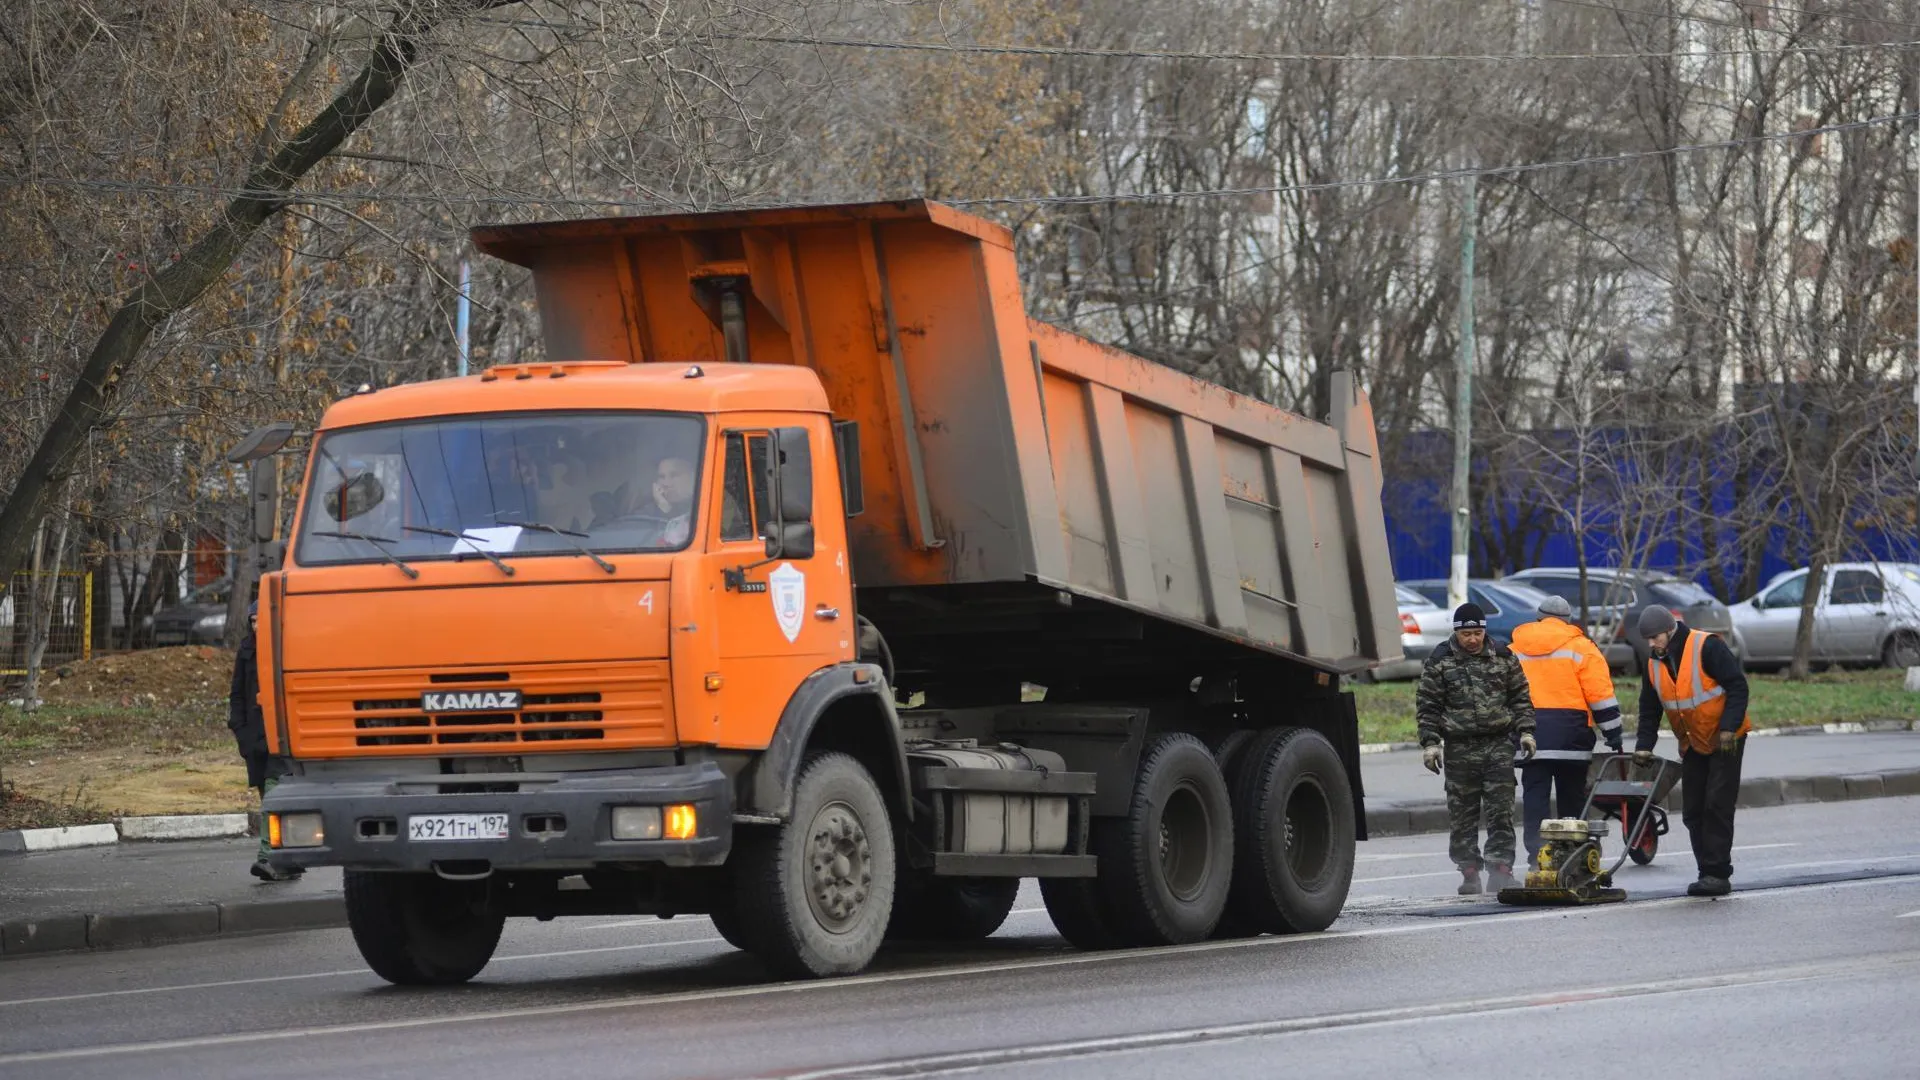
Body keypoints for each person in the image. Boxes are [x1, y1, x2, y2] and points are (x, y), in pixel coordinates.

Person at [1417, 602, 1538, 895]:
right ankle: (1469, 872)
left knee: (1501, 811)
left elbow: (1520, 697)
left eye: (1477, 633)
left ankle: (1501, 870)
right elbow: (1428, 705)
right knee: (1462, 814)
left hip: (1497, 746)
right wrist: (1431, 743)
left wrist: (1526, 732)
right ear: (1456, 633)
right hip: (1459, 749)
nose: (1472, 639)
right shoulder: (1440, 660)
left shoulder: (1504, 657)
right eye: (1466, 634)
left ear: (1484, 631)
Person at [1633, 605, 1750, 897]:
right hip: (1693, 742)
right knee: (1693, 810)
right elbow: (1649, 709)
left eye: (1655, 637)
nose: (1651, 644)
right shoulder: (1654, 664)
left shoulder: (1706, 646)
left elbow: (1737, 686)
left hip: (1726, 739)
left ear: (1670, 630)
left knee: (1717, 805)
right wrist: (1644, 746)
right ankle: (1705, 870)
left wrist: (1728, 727)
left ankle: (1717, 873)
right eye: (1646, 639)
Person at [1509, 594, 1625, 866]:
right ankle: (1572, 855)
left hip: (1531, 738)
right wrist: (1613, 732)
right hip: (1572, 738)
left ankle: (1538, 856)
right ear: (1568, 622)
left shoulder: (1514, 649)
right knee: (1571, 800)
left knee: (1535, 797)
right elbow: (1600, 695)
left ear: (1538, 619)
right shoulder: (1582, 647)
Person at [228, 602, 301, 882]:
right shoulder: (246, 652)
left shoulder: (286, 650)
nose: (257, 626)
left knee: (272, 796)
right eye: (253, 621)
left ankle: (267, 857)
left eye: (262, 621)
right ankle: (287, 859)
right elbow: (236, 695)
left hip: (280, 736)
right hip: (254, 738)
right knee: (270, 799)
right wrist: (240, 731)